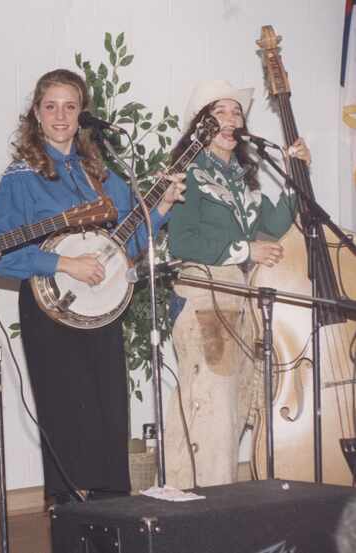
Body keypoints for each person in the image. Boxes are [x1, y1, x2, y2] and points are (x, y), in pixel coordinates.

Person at [0, 68, 185, 549]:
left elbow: (128, 243)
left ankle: (111, 524)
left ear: (82, 115)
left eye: (70, 106)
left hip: (104, 314)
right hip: (49, 313)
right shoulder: (20, 178)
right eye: (50, 106)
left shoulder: (103, 174)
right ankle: (71, 525)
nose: (60, 116)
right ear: (35, 114)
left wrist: (160, 208)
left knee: (108, 414)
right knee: (65, 415)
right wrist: (62, 262)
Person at [164, 80, 311, 489]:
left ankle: (202, 504)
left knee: (226, 411)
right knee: (210, 411)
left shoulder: (238, 178)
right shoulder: (189, 174)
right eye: (220, 112)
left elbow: (274, 224)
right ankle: (201, 510)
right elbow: (182, 242)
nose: (231, 120)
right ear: (201, 125)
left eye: (237, 112)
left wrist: (294, 174)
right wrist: (245, 250)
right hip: (203, 296)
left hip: (236, 299)